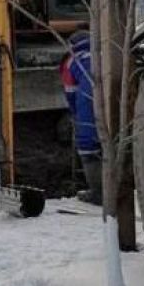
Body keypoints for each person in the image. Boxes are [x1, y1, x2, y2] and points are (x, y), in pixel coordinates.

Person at [60, 31, 102, 205]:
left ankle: (98, 193)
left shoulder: (71, 62)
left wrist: (75, 115)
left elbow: (71, 94)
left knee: (88, 148)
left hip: (87, 107)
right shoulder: (104, 53)